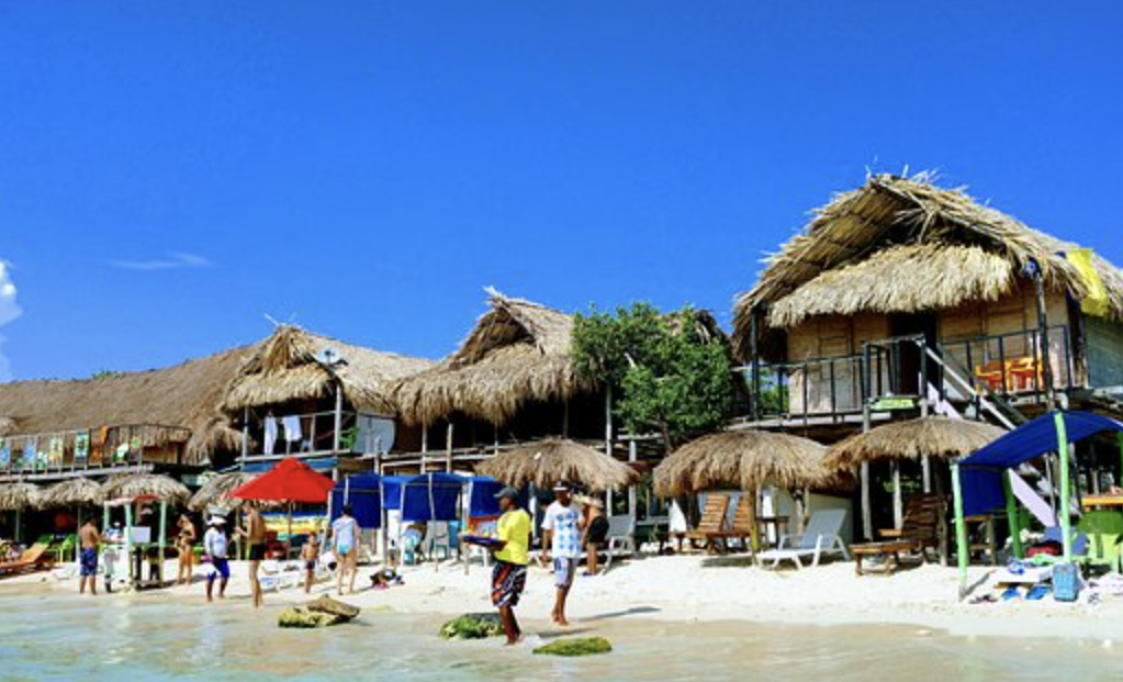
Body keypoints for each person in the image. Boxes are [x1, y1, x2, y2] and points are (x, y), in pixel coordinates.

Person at [477, 487, 531, 646]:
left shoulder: (506, 519)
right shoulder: (524, 515)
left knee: (501, 600)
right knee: (507, 600)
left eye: (501, 499)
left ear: (509, 500)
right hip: (521, 561)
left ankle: (511, 640)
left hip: (506, 562)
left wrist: (481, 543)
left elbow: (500, 544)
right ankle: (517, 633)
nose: (499, 502)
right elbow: (528, 536)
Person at [540, 482, 583, 626]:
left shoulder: (576, 507)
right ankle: (561, 616)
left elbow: (581, 525)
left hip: (574, 548)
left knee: (568, 582)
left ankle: (555, 610)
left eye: (562, 491)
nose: (558, 494)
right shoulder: (552, 508)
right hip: (559, 550)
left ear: (568, 492)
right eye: (556, 492)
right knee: (561, 583)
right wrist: (545, 552)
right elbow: (546, 530)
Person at [237, 505, 266, 608]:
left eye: (243, 508)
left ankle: (254, 603)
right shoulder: (261, 517)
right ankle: (261, 600)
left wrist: (240, 531)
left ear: (248, 506)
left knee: (252, 575)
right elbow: (264, 534)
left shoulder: (250, 517)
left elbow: (249, 535)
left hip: (254, 546)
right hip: (261, 546)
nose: (244, 510)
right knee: (255, 574)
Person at [331, 504, 360, 595]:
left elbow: (334, 537)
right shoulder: (352, 521)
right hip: (349, 545)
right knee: (351, 568)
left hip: (340, 545)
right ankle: (350, 589)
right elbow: (356, 534)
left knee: (340, 568)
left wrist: (333, 548)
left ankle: (338, 590)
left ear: (342, 512)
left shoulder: (336, 522)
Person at [579, 494, 609, 576]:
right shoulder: (593, 508)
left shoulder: (586, 509)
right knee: (592, 546)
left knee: (590, 546)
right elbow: (583, 524)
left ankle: (591, 570)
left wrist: (582, 541)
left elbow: (587, 525)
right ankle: (591, 569)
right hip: (604, 522)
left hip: (597, 522)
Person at [203, 516, 230, 603]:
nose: (221, 525)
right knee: (211, 577)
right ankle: (208, 596)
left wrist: (231, 540)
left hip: (222, 557)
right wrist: (210, 556)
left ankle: (220, 592)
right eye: (220, 524)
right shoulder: (209, 533)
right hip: (212, 557)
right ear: (215, 524)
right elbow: (207, 545)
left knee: (226, 574)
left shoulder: (223, 532)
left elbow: (225, 544)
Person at [78, 518, 101, 596]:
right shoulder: (93, 528)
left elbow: (85, 539)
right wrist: (110, 540)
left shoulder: (82, 529)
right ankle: (92, 592)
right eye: (95, 520)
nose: (96, 522)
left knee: (83, 572)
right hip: (91, 550)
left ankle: (81, 592)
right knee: (92, 571)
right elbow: (98, 539)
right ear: (91, 520)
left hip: (83, 550)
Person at [175, 514, 196, 586]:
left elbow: (194, 536)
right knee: (180, 564)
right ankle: (178, 580)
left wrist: (186, 536)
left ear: (187, 517)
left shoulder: (191, 525)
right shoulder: (182, 525)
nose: (182, 518)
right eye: (181, 517)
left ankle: (188, 580)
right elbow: (177, 525)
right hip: (181, 546)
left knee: (188, 564)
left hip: (188, 546)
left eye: (183, 517)